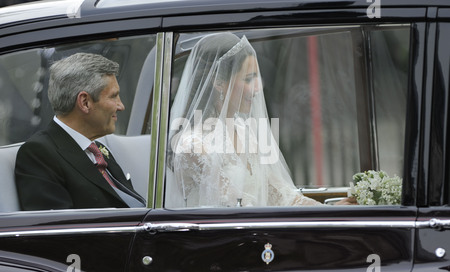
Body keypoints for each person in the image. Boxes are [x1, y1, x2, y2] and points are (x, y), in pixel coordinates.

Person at [168, 32, 340, 208]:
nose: (258, 88)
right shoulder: (193, 146)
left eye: (257, 78)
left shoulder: (245, 131)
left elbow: (283, 196)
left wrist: (333, 210)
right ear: (219, 82)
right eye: (249, 79)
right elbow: (237, 207)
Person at [15, 53, 145, 210]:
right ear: (85, 102)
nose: (121, 106)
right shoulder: (39, 154)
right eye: (114, 96)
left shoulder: (96, 149)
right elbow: (56, 229)